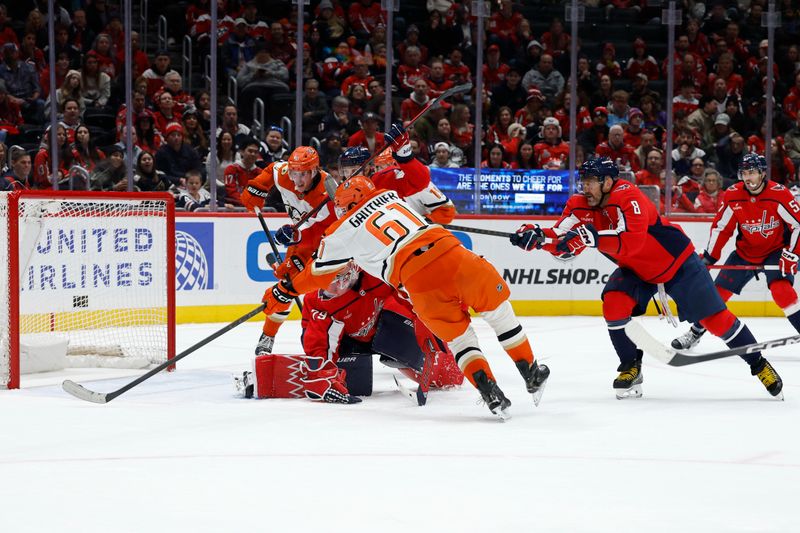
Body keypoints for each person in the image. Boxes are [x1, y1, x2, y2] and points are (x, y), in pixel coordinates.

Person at [259, 136, 550, 419]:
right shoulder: (390, 196)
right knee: (500, 315)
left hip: (416, 281)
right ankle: (530, 370)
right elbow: (423, 187)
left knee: (462, 341)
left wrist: (286, 288)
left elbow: (317, 276)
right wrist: (405, 153)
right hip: (451, 253)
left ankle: (490, 391)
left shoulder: (340, 231)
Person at [510, 156, 783, 400]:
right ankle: (631, 366)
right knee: (614, 303)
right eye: (583, 181)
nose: (585, 187)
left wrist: (591, 238)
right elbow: (560, 237)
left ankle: (759, 364)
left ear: (608, 181)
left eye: (591, 181)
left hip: (677, 263)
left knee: (716, 321)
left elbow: (631, 242)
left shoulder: (629, 196)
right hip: (638, 271)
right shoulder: (578, 204)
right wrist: (537, 237)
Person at [234, 264, 464, 403]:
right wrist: (323, 375)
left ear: (351, 272)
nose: (329, 290)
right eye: (324, 281)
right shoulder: (318, 301)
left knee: (451, 378)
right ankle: (304, 374)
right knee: (351, 381)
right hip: (346, 342)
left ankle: (412, 360)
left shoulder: (375, 274)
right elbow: (320, 341)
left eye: (337, 280)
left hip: (378, 330)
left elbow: (411, 295)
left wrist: (428, 325)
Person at [670, 154, 800, 371]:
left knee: (782, 291)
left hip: (774, 251)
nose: (748, 178)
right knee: (716, 296)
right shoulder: (733, 195)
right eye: (745, 173)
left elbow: (797, 224)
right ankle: (694, 333)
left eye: (752, 172)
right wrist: (710, 256)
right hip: (745, 252)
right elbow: (722, 228)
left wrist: (793, 253)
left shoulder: (779, 194)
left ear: (763, 173)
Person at [239, 146, 338, 356]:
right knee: (284, 287)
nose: (297, 181)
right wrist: (257, 189)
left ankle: (330, 340)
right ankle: (268, 335)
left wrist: (297, 236)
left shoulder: (327, 192)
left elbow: (323, 231)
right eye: (294, 173)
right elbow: (272, 169)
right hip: (301, 238)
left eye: (303, 174)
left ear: (314, 171)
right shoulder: (286, 175)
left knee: (321, 292)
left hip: (327, 244)